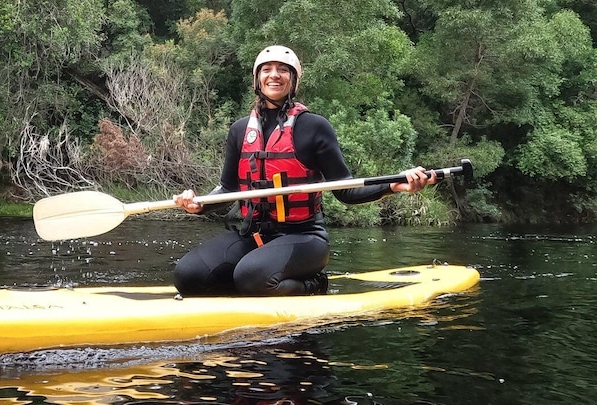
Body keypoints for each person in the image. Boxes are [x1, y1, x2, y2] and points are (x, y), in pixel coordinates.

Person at [172, 45, 436, 297]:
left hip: (305, 238)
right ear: (257, 79)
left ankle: (311, 284)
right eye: (266, 69)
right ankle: (255, 287)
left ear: (294, 80)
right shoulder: (240, 130)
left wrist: (394, 185)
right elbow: (228, 189)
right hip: (252, 236)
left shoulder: (314, 127)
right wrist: (199, 204)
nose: (274, 75)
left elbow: (346, 189)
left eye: (282, 69)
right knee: (189, 275)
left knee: (251, 276)